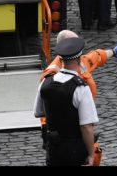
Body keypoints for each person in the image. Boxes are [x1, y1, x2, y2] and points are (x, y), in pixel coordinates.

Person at [32, 35, 98, 166]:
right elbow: (86, 126)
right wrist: (91, 154)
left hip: (54, 148)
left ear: (60, 60)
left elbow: (38, 112)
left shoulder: (46, 82)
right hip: (75, 148)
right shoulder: (81, 88)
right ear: (79, 60)